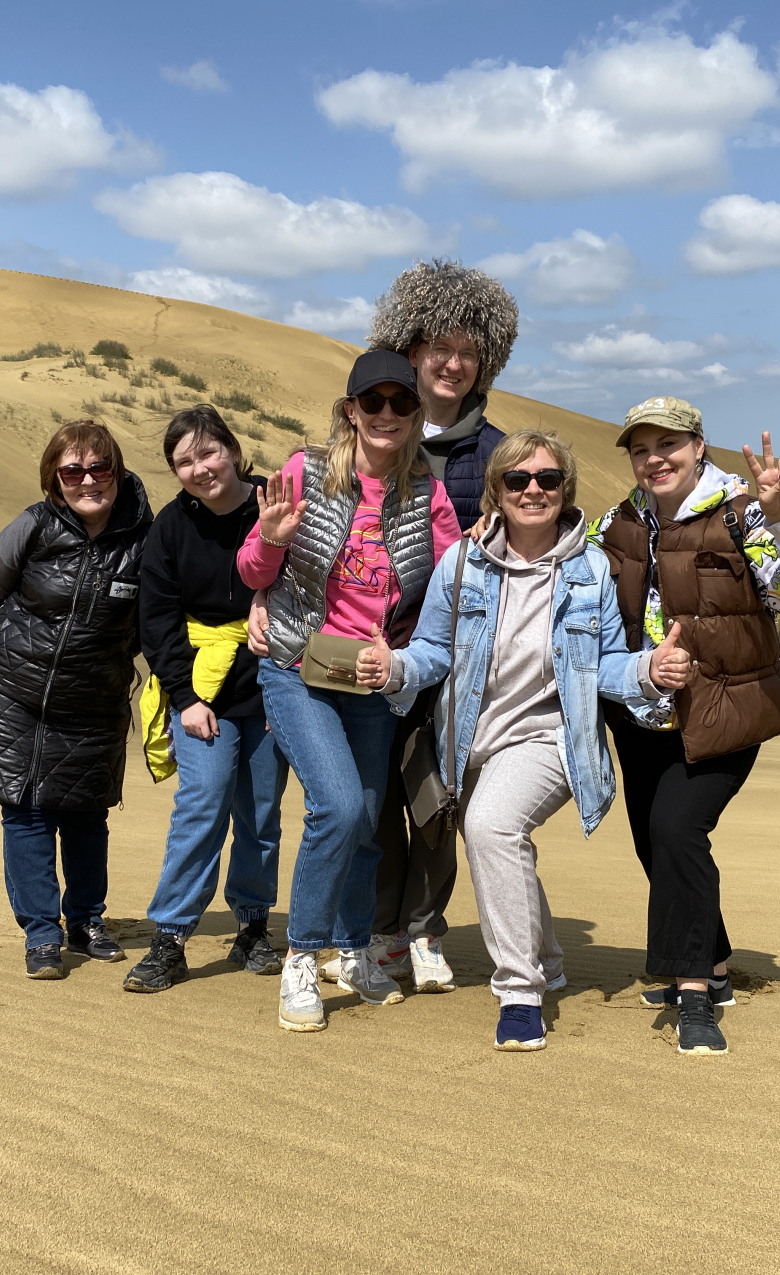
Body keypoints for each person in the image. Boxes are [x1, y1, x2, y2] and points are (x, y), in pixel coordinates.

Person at [358, 431, 687, 1051]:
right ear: (496, 492)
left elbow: (604, 665)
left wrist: (648, 670)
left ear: (565, 491)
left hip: (551, 738)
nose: (533, 489)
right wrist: (395, 668)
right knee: (497, 839)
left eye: (548, 479)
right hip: (469, 741)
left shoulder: (590, 570)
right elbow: (432, 651)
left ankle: (520, 990)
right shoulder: (462, 562)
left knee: (490, 827)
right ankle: (550, 957)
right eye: (517, 480)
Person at [590, 397, 780, 1054]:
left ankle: (695, 990)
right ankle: (719, 958)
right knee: (656, 843)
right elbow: (563, 569)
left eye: (668, 444)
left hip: (725, 710)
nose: (654, 459)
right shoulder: (620, 520)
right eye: (641, 448)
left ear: (699, 446)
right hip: (641, 710)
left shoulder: (742, 514)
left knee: (677, 827)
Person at [237, 349, 461, 1032]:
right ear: (351, 412)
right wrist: (272, 543)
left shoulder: (428, 493)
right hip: (296, 667)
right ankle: (303, 958)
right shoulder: (306, 473)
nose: (387, 413)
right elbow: (251, 570)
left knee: (366, 819)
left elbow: (454, 580)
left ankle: (355, 946)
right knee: (335, 805)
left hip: (370, 678)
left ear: (417, 414)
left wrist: (400, 654)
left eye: (401, 402)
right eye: (374, 402)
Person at [341, 258, 519, 994]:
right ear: (408, 349)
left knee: (441, 801)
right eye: (438, 347)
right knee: (375, 800)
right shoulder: (369, 434)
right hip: (368, 655)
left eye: (468, 352)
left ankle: (425, 925)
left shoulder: (502, 453)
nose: (451, 363)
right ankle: (382, 932)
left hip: (461, 660)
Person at [0, 420, 154, 979]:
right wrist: (31, 652)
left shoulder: (145, 538)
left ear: (117, 470)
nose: (87, 480)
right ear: (54, 478)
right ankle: (41, 934)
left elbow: (151, 619)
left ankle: (87, 920)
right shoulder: (34, 527)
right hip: (11, 693)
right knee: (26, 813)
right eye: (72, 470)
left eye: (99, 468)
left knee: (86, 817)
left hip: (94, 700)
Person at [127, 405, 288, 991]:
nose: (200, 468)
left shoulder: (277, 502)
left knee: (261, 813)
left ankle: (252, 925)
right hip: (203, 691)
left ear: (233, 449)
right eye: (184, 461)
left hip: (274, 685)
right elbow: (158, 619)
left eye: (208, 452)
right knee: (203, 804)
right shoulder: (170, 527)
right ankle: (170, 936)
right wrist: (184, 698)